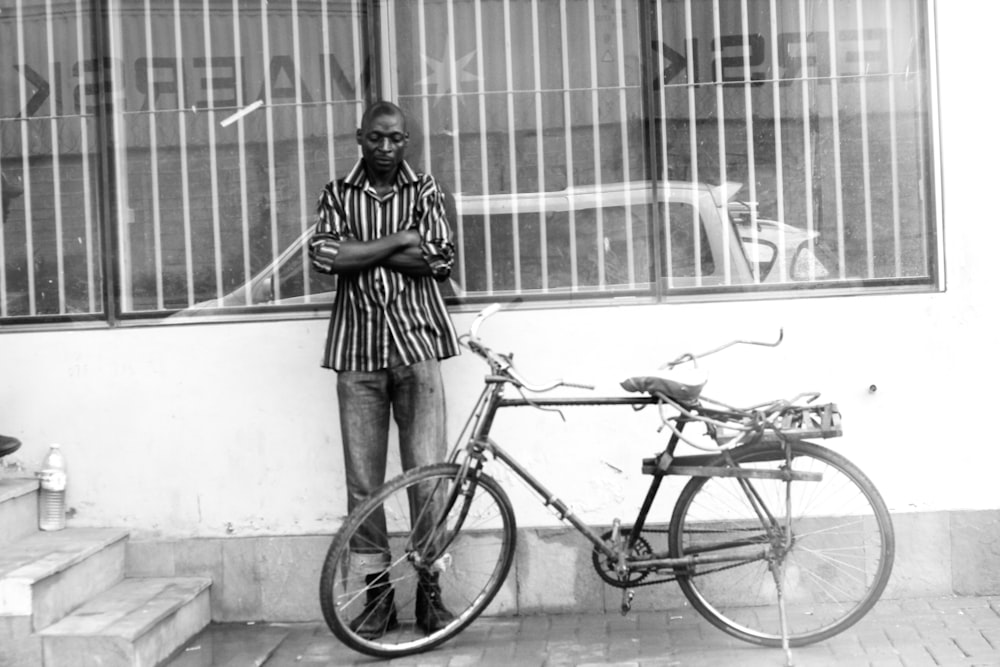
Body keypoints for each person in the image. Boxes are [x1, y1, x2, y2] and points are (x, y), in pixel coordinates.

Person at [309, 100, 459, 639]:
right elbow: (327, 256)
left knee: (428, 476)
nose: (386, 148)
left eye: (396, 138)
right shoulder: (336, 192)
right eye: (376, 138)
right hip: (356, 356)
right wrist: (400, 240)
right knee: (363, 485)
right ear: (360, 138)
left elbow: (439, 260)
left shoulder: (425, 190)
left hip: (417, 348)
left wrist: (362, 250)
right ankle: (375, 598)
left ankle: (429, 592)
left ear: (407, 140)